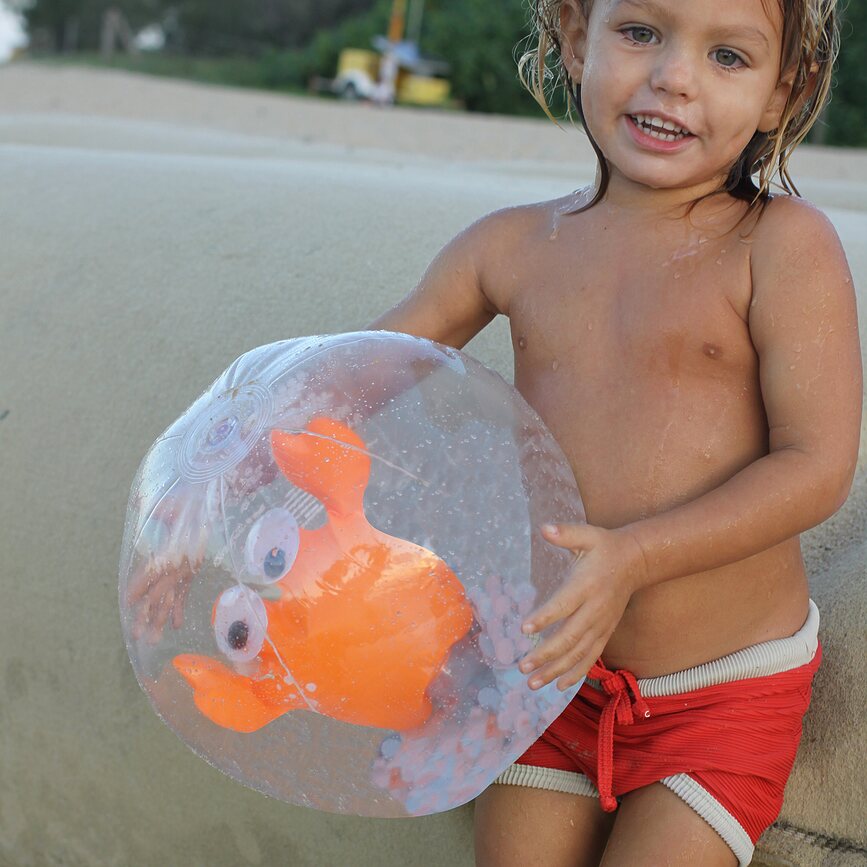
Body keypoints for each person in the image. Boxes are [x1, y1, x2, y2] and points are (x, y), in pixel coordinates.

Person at [126, 0, 862, 862]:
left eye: (728, 57)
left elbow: (816, 466)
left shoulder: (778, 245)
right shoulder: (511, 248)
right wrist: (197, 519)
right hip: (540, 672)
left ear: (785, 91)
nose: (673, 76)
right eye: (639, 33)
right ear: (576, 36)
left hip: (718, 689)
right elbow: (351, 379)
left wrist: (634, 557)